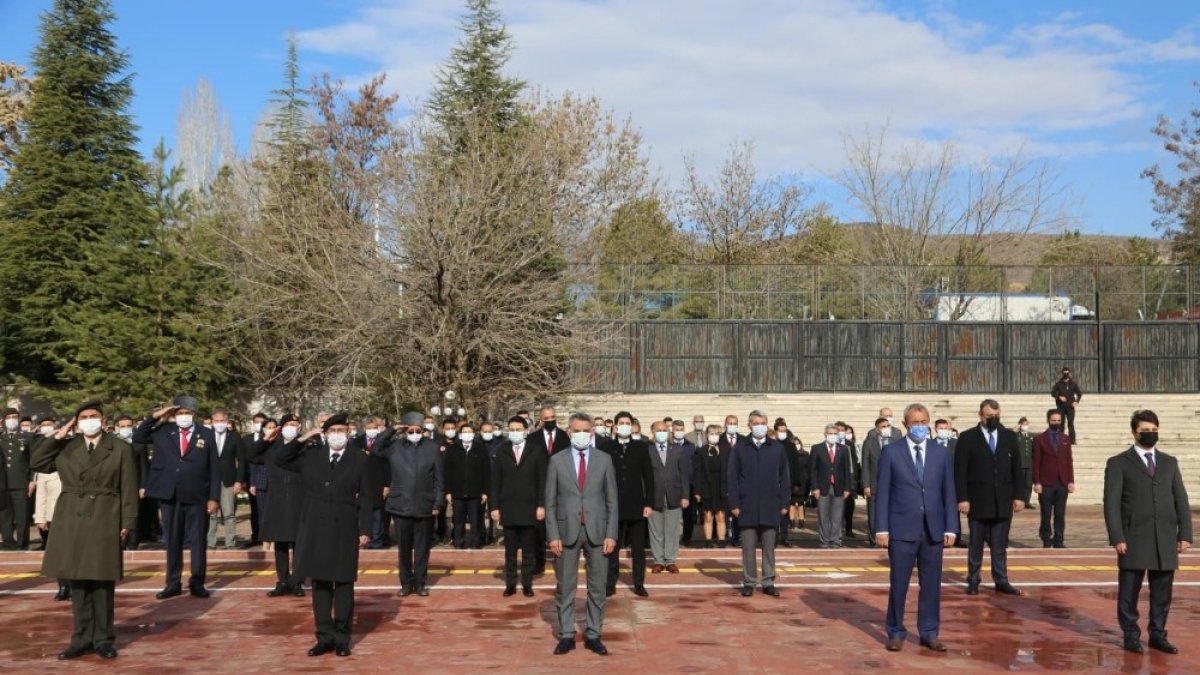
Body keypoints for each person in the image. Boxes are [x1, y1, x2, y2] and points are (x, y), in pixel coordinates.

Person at [33, 401, 138, 660]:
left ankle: (103, 639)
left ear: (104, 421)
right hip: (72, 518)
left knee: (102, 581)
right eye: (83, 417)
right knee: (77, 580)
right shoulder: (66, 447)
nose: (89, 421)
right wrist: (59, 434)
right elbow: (37, 461)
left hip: (105, 515)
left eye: (93, 416)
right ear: (76, 423)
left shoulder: (120, 448)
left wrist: (127, 522)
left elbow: (128, 487)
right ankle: (81, 638)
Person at [276, 414, 375, 657]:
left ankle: (341, 638)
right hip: (315, 525)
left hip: (345, 524)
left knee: (343, 583)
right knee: (320, 583)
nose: (337, 434)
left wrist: (365, 529)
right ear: (325, 433)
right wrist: (302, 439)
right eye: (333, 430)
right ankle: (324, 637)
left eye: (342, 430)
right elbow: (280, 459)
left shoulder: (360, 458)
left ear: (349, 433)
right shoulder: (312, 455)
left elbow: (367, 497)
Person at [1103, 409, 1192, 655]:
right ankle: (1131, 635)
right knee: (1129, 591)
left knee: (1163, 592)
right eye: (1145, 430)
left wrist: (1185, 533)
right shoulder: (1118, 463)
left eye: (1154, 430)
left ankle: (1158, 635)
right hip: (1133, 537)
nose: (1150, 434)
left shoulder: (1169, 462)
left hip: (1165, 536)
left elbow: (1181, 499)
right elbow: (1111, 503)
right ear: (1135, 432)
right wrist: (1117, 536)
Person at [876, 403, 957, 653]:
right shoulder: (891, 452)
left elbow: (949, 492)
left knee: (931, 585)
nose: (920, 427)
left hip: (933, 529)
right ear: (905, 425)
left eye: (923, 422)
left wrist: (951, 528)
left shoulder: (941, 453)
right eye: (915, 423)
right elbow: (883, 492)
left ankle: (929, 632)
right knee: (899, 583)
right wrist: (881, 528)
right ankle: (895, 631)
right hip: (901, 529)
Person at [134, 396, 220, 599]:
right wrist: (157, 415)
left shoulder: (206, 434)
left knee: (198, 541)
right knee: (172, 540)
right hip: (169, 494)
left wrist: (213, 497)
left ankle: (197, 582)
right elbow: (139, 436)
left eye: (187, 413)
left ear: (194, 414)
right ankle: (173, 582)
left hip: (197, 494)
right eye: (180, 413)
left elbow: (214, 467)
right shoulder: (163, 431)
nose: (183, 416)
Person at [547, 412, 618, 656]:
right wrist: (553, 535)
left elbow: (612, 500)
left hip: (598, 532)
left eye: (585, 431)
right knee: (565, 586)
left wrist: (611, 533)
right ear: (569, 432)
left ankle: (594, 634)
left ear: (592, 432)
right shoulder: (557, 461)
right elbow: (550, 502)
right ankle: (567, 634)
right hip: (566, 532)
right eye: (576, 430)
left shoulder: (604, 460)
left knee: (597, 587)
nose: (581, 435)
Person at [955, 399, 1025, 596]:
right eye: (989, 416)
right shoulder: (967, 437)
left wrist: (1019, 496)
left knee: (1000, 545)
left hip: (1002, 500)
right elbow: (960, 471)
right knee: (975, 545)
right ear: (980, 415)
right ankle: (973, 580)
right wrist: (962, 498)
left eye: (996, 416)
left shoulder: (1009, 436)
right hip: (977, 501)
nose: (993, 419)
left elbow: (1017, 468)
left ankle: (1001, 580)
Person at [373, 411, 443, 597]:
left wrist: (438, 503)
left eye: (417, 430)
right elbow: (376, 447)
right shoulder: (395, 446)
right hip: (401, 504)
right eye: (410, 431)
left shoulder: (432, 448)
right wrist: (393, 429)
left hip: (424, 504)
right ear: (405, 431)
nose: (414, 433)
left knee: (422, 548)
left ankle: (420, 583)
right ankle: (405, 583)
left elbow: (439, 478)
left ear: (422, 430)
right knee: (403, 548)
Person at [728, 410, 790, 597]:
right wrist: (734, 504)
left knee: (769, 547)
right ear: (749, 425)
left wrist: (785, 502)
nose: (760, 426)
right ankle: (749, 581)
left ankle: (768, 581)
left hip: (771, 504)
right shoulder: (740, 447)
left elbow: (785, 477)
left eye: (763, 423)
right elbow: (732, 477)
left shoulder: (777, 448)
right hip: (747, 505)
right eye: (756, 423)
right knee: (748, 547)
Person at [250, 415, 308, 597]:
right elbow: (250, 456)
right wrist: (265, 440)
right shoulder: (272, 446)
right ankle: (282, 580)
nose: (292, 427)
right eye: (288, 424)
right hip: (277, 497)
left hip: (300, 497)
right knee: (280, 542)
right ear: (281, 428)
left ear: (300, 427)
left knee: (299, 542)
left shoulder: (306, 445)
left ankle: (297, 581)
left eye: (295, 425)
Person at [597, 411, 653, 596]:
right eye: (621, 423)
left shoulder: (640, 447)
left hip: (636, 505)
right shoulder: (606, 447)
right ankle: (610, 583)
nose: (624, 426)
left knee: (638, 548)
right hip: (613, 506)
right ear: (614, 426)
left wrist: (649, 503)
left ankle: (639, 583)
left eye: (627, 423)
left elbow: (648, 476)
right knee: (612, 547)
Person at [491, 416, 547, 597]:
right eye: (511, 429)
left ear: (526, 431)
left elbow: (542, 480)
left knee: (529, 551)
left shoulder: (536, 450)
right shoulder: (502, 451)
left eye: (518, 429)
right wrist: (494, 506)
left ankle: (527, 583)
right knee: (510, 551)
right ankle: (510, 583)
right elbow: (495, 481)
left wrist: (541, 505)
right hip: (508, 508)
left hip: (529, 507)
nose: (515, 432)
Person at [527, 406, 568, 575]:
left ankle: (561, 561)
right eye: (547, 418)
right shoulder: (533, 438)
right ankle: (539, 562)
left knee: (560, 526)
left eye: (553, 417)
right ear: (541, 419)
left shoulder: (564, 436)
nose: (550, 420)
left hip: (561, 487)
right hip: (539, 487)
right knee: (539, 528)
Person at [646, 421, 688, 574]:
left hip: (674, 495)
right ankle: (658, 561)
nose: (662, 433)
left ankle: (670, 560)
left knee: (672, 530)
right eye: (659, 430)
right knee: (656, 530)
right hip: (654, 496)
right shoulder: (648, 450)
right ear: (653, 432)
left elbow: (684, 474)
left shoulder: (677, 449)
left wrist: (685, 495)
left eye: (664, 430)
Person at [1032, 409, 1074, 549]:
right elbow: (1035, 462)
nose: (1056, 423)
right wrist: (1037, 482)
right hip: (1046, 482)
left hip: (1062, 481)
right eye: (1053, 420)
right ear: (1048, 420)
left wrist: (1071, 481)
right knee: (1046, 513)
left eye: (1058, 421)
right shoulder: (1039, 439)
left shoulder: (1065, 438)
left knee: (1060, 513)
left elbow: (1069, 461)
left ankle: (1059, 539)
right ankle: (1046, 538)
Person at [445, 421, 490, 549]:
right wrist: (448, 491)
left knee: (476, 520)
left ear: (474, 434)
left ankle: (476, 542)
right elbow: (447, 471)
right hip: (457, 492)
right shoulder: (453, 449)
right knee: (458, 520)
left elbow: (486, 471)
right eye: (464, 432)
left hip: (476, 492)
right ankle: (459, 542)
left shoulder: (481, 448)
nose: (467, 434)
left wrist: (485, 491)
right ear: (460, 434)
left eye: (469, 432)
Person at [207, 409, 247, 550]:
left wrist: (239, 480)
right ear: (212, 422)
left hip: (228, 480)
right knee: (211, 512)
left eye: (222, 421)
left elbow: (242, 460)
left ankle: (230, 542)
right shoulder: (206, 435)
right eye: (216, 421)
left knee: (229, 513)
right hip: (209, 480)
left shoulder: (234, 437)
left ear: (227, 421)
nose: (219, 423)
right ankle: (210, 542)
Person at [809, 424, 852, 549]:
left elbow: (847, 470)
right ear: (825, 434)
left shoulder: (843, 449)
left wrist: (847, 488)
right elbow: (812, 470)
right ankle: (824, 540)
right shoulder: (817, 448)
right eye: (830, 433)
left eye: (835, 433)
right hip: (822, 487)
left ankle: (835, 540)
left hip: (839, 487)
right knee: (823, 516)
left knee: (837, 516)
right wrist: (815, 488)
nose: (832, 436)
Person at [354, 416, 392, 549]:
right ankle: (363, 539)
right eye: (369, 428)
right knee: (363, 513)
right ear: (364, 429)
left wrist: (387, 485)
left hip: (379, 482)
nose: (372, 430)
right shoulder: (356, 443)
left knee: (378, 514)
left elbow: (388, 466)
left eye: (375, 428)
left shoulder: (384, 443)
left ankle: (376, 540)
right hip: (362, 483)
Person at [0, 407, 35, 550]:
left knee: (22, 517)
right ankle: (8, 544)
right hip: (2, 484)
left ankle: (22, 544)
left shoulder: (28, 437)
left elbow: (33, 460)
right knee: (4, 517)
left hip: (21, 483)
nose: (11, 420)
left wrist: (32, 480)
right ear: (3, 421)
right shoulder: (0, 438)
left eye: (14, 417)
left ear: (19, 419)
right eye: (8, 418)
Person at [692, 424, 728, 549]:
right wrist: (697, 491)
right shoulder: (701, 451)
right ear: (707, 435)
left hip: (721, 487)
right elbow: (697, 472)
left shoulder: (726, 450)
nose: (714, 436)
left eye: (717, 434)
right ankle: (708, 540)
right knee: (708, 516)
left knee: (721, 516)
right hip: (706, 487)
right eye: (711, 434)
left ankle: (721, 540)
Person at [860, 417, 889, 547]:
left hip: (892, 485)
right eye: (883, 426)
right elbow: (865, 465)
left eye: (888, 426)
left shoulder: (895, 442)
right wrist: (866, 485)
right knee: (873, 514)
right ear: (877, 429)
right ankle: (873, 540)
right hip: (874, 484)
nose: (886, 429)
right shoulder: (869, 443)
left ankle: (889, 539)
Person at [672, 419, 697, 548]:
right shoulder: (669, 445)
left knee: (688, 514)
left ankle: (687, 538)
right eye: (676, 430)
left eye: (681, 430)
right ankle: (673, 538)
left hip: (688, 483)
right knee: (673, 513)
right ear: (672, 430)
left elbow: (694, 465)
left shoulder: (690, 446)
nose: (679, 432)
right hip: (672, 484)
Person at [1050, 367, 1082, 444]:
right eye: (1064, 373)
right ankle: (1060, 440)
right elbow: (1053, 393)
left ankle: (1072, 440)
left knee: (1070, 423)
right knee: (1061, 424)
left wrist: (1076, 402)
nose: (1066, 374)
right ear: (1062, 373)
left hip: (1070, 407)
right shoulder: (1058, 384)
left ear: (1069, 373)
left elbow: (1079, 394)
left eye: (1067, 373)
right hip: (1061, 407)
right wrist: (1059, 397)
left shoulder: (1073, 384)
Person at [1015, 417, 1034, 509]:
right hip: (1020, 464)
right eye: (1023, 424)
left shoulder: (1031, 436)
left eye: (1027, 424)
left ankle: (1027, 501)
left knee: (1028, 484)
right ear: (1020, 425)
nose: (1025, 426)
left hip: (1029, 464)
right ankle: (1019, 501)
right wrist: (1015, 429)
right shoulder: (1016, 435)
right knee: (1019, 484)